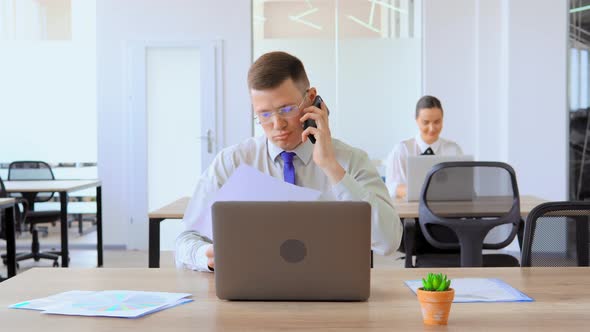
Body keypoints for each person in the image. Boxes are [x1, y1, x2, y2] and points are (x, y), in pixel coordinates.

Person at [175, 51, 402, 272]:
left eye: (286, 109)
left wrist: (331, 168)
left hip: (329, 290)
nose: (277, 124)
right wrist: (206, 254)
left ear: (312, 99)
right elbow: (186, 240)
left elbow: (389, 242)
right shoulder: (232, 161)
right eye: (264, 114)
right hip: (253, 291)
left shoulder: (350, 160)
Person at [385, 95, 463, 199]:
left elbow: (462, 186)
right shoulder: (402, 150)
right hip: (410, 212)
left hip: (446, 210)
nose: (432, 128)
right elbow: (391, 188)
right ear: (416, 120)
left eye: (437, 122)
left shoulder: (453, 150)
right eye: (426, 122)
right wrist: (425, 192)